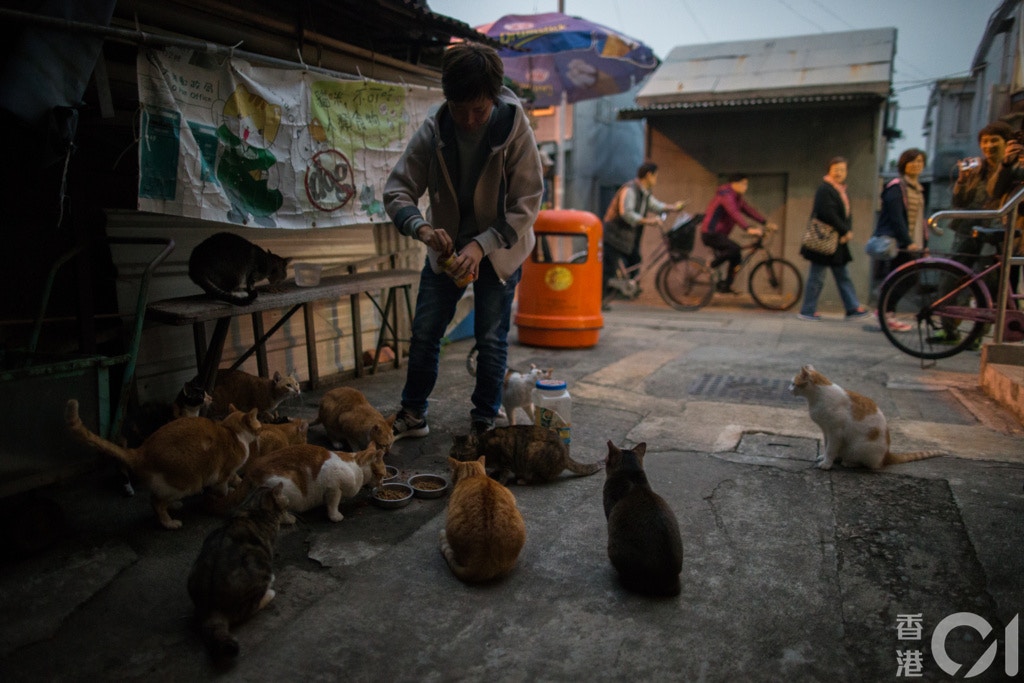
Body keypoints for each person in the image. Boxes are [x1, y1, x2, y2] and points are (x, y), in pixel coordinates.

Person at [383, 43, 544, 438]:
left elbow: (528, 203)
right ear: (446, 99)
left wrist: (481, 245)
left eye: (479, 110)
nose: (469, 121)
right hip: (447, 251)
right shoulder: (434, 130)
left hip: (501, 251)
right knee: (424, 333)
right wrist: (422, 229)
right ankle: (413, 414)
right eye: (460, 109)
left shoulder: (514, 127)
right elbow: (397, 192)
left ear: (493, 97)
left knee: (490, 339)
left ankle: (484, 421)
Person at [932, 121, 1020, 344]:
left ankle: (977, 336)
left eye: (994, 141)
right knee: (952, 276)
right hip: (967, 227)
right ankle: (949, 329)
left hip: (996, 230)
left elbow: (997, 190)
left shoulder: (1014, 166)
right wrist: (962, 180)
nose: (989, 146)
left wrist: (1008, 163)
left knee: (989, 284)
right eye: (985, 141)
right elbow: (959, 201)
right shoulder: (976, 167)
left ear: (1006, 143)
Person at [797, 156, 870, 321]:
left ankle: (851, 308)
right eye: (836, 169)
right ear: (829, 170)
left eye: (842, 170)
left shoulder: (840, 190)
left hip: (837, 241)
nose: (839, 172)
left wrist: (847, 230)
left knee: (842, 274)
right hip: (825, 240)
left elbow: (847, 214)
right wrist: (845, 230)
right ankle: (807, 310)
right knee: (818, 276)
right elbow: (827, 213)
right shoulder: (825, 189)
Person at [601, 162, 685, 303]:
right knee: (608, 269)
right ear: (649, 175)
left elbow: (655, 205)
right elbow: (626, 213)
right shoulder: (630, 190)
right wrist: (649, 221)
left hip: (626, 236)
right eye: (655, 176)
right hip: (614, 235)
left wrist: (673, 208)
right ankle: (600, 300)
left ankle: (627, 289)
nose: (656, 180)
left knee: (636, 260)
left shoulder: (644, 192)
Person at [870, 148, 927, 332]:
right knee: (904, 277)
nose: (916, 165)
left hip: (909, 241)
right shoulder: (896, 186)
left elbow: (918, 219)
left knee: (900, 277)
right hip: (898, 242)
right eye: (912, 161)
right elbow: (896, 217)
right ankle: (885, 313)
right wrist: (908, 241)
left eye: (919, 161)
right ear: (903, 164)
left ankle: (886, 313)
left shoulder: (916, 188)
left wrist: (922, 243)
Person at [700, 173, 776, 294]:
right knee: (734, 248)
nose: (746, 187)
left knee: (736, 256)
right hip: (710, 232)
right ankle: (710, 265)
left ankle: (726, 285)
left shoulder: (737, 198)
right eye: (744, 184)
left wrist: (765, 222)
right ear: (734, 184)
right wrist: (748, 228)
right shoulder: (726, 195)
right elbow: (734, 212)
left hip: (720, 234)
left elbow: (749, 210)